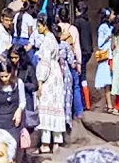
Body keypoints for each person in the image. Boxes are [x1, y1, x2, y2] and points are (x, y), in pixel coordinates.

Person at [33, 18, 67, 154]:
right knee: (56, 106)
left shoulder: (47, 41)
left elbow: (45, 62)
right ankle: (57, 142)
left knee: (46, 108)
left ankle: (45, 143)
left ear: (45, 26)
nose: (38, 28)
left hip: (49, 76)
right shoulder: (53, 38)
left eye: (39, 26)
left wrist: (40, 82)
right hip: (56, 74)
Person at [93, 9, 115, 112]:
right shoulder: (102, 27)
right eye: (113, 14)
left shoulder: (110, 26)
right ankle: (109, 104)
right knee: (107, 81)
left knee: (110, 81)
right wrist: (108, 37)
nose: (114, 16)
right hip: (106, 57)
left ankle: (109, 104)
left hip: (112, 55)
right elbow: (100, 43)